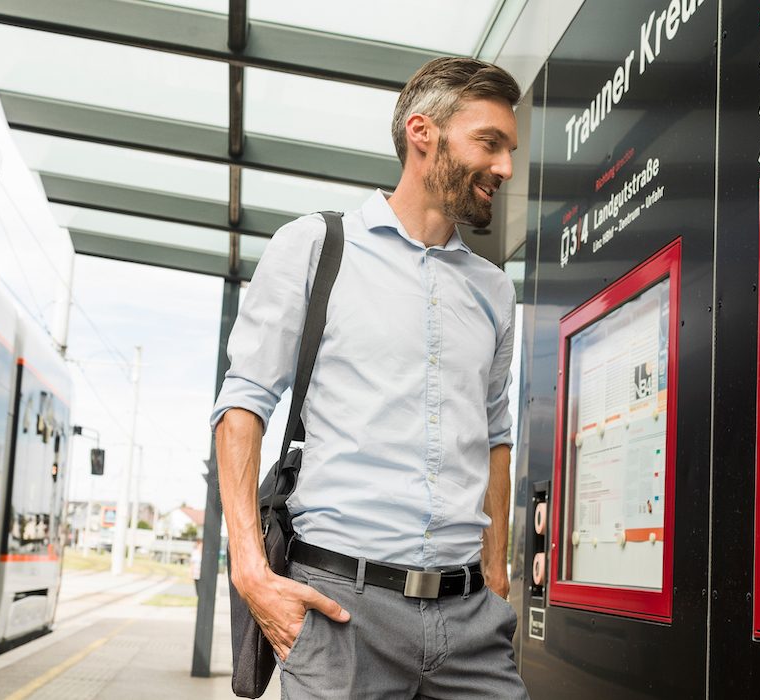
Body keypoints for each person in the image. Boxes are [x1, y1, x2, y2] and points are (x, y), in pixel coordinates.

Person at [211, 57, 527, 698]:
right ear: (423, 133)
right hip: (339, 614)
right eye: (489, 144)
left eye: (509, 150)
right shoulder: (316, 247)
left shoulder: (495, 290)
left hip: (471, 623)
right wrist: (249, 568)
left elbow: (496, 433)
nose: (505, 169)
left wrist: (496, 575)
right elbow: (243, 404)